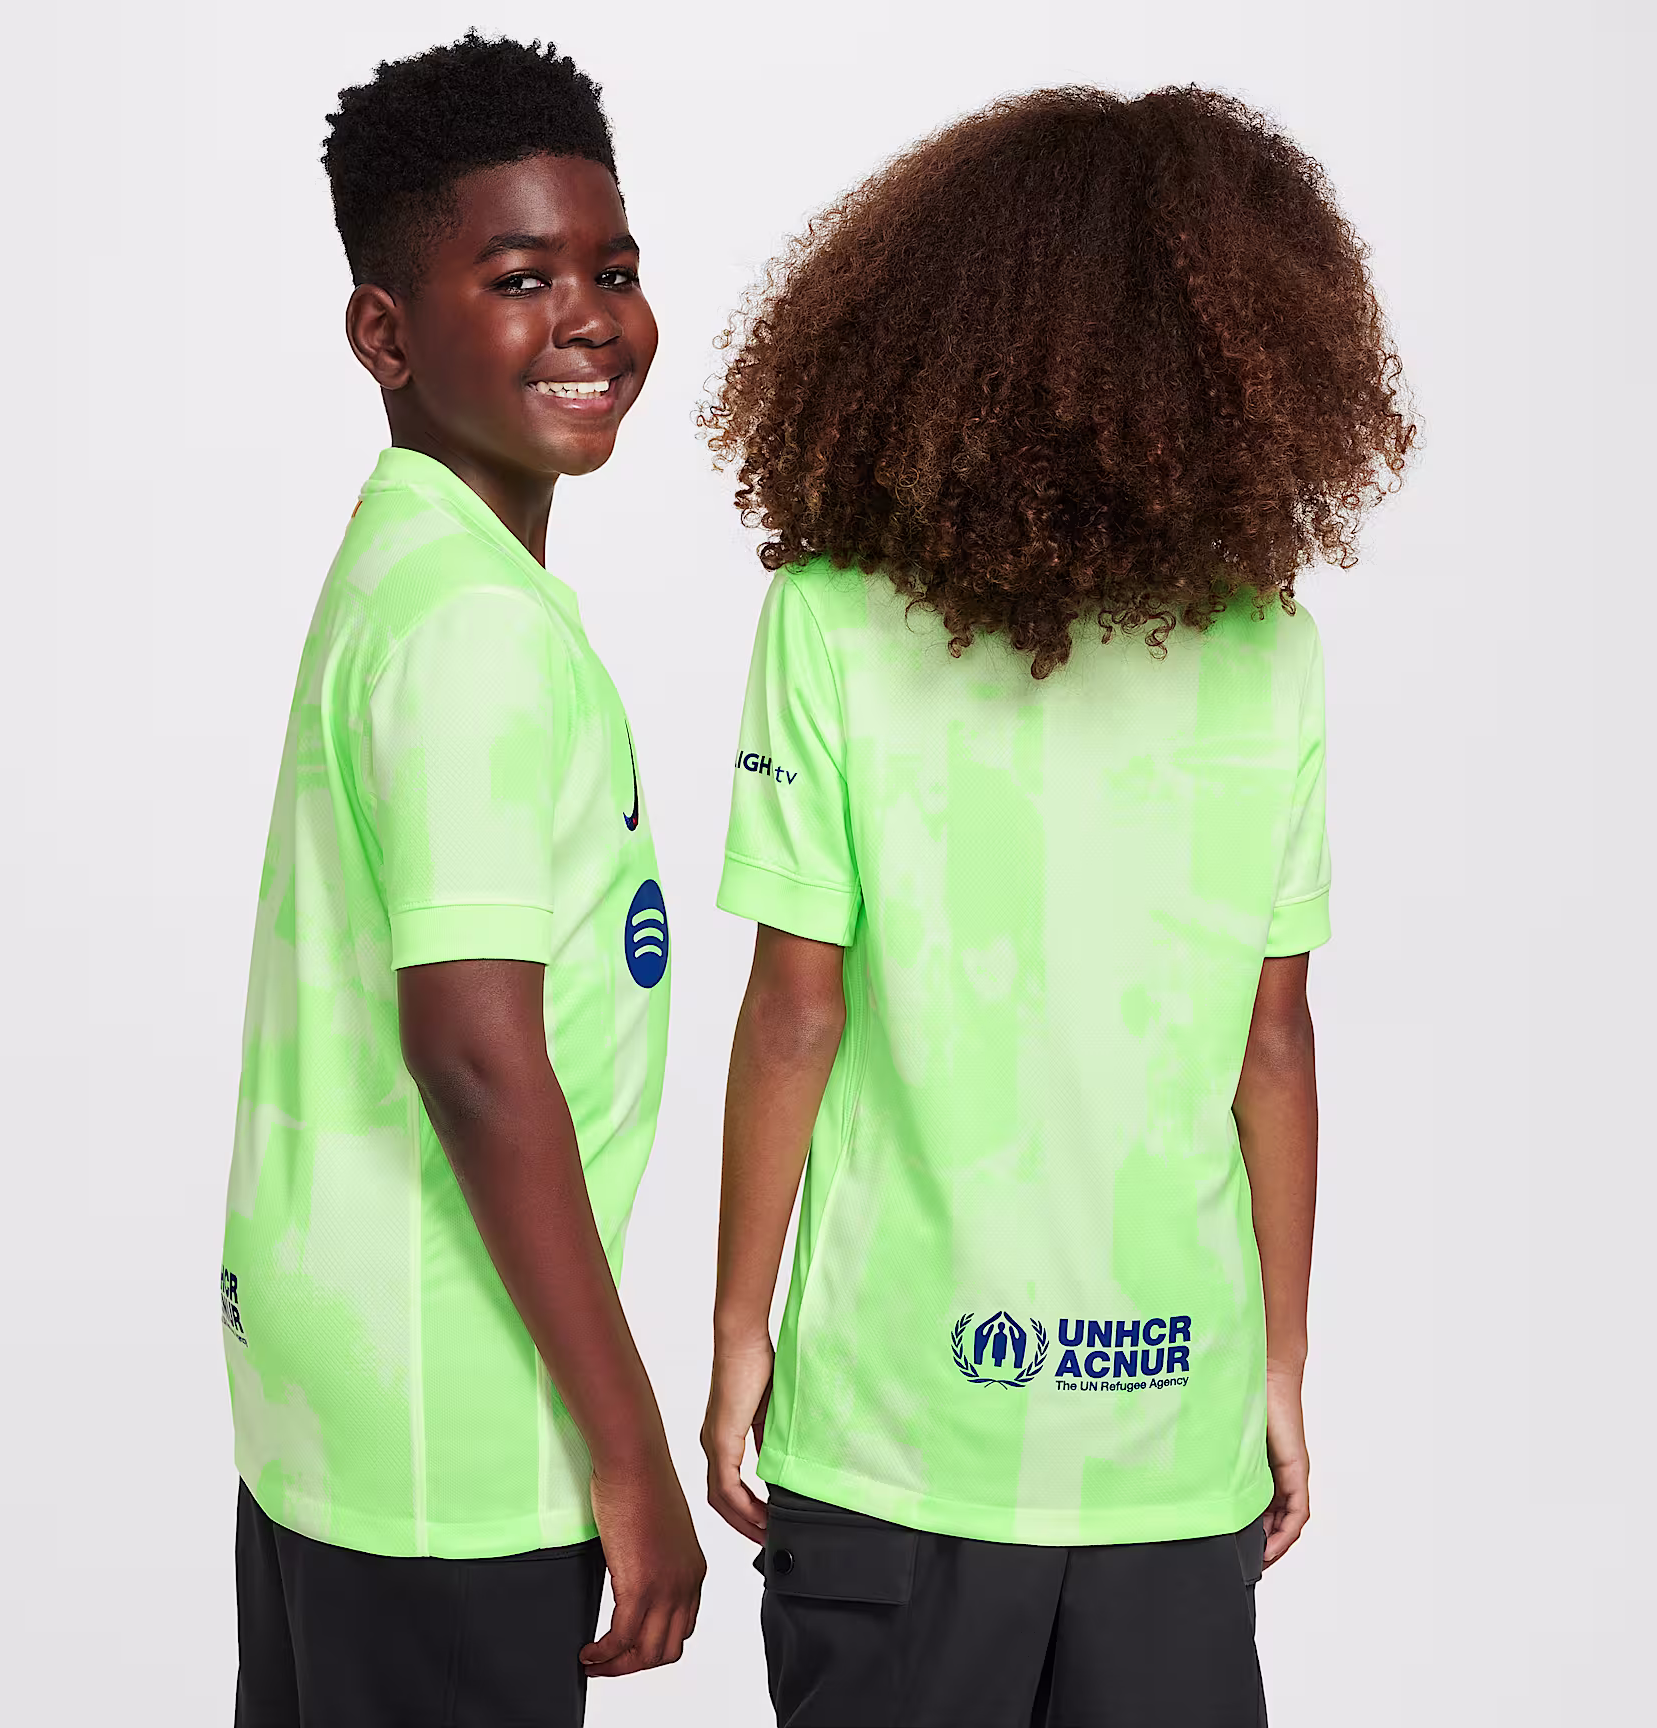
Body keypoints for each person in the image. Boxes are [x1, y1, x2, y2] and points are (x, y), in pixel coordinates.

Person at [700, 86, 1414, 1727]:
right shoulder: (1269, 653)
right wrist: (1279, 1364)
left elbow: (797, 1009)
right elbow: (1275, 1043)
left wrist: (741, 1330)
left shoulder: (828, 622)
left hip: (893, 1428)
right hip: (1167, 1426)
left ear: (924, 333)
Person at [219, 34, 703, 1726]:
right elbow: (478, 1058)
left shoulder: (407, 553)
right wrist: (628, 1452)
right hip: (454, 1433)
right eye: (519, 279)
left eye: (613, 270)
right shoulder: (474, 629)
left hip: (340, 1396)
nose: (589, 319)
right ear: (386, 333)